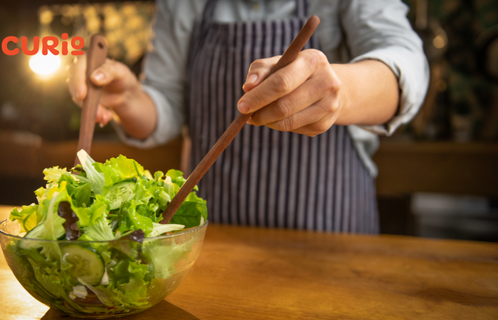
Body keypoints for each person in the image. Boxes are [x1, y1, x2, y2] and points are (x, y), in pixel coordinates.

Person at [67, 0, 429, 234]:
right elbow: (166, 107)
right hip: (212, 237)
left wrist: (341, 90)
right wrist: (128, 97)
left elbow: (407, 69)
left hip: (331, 239)